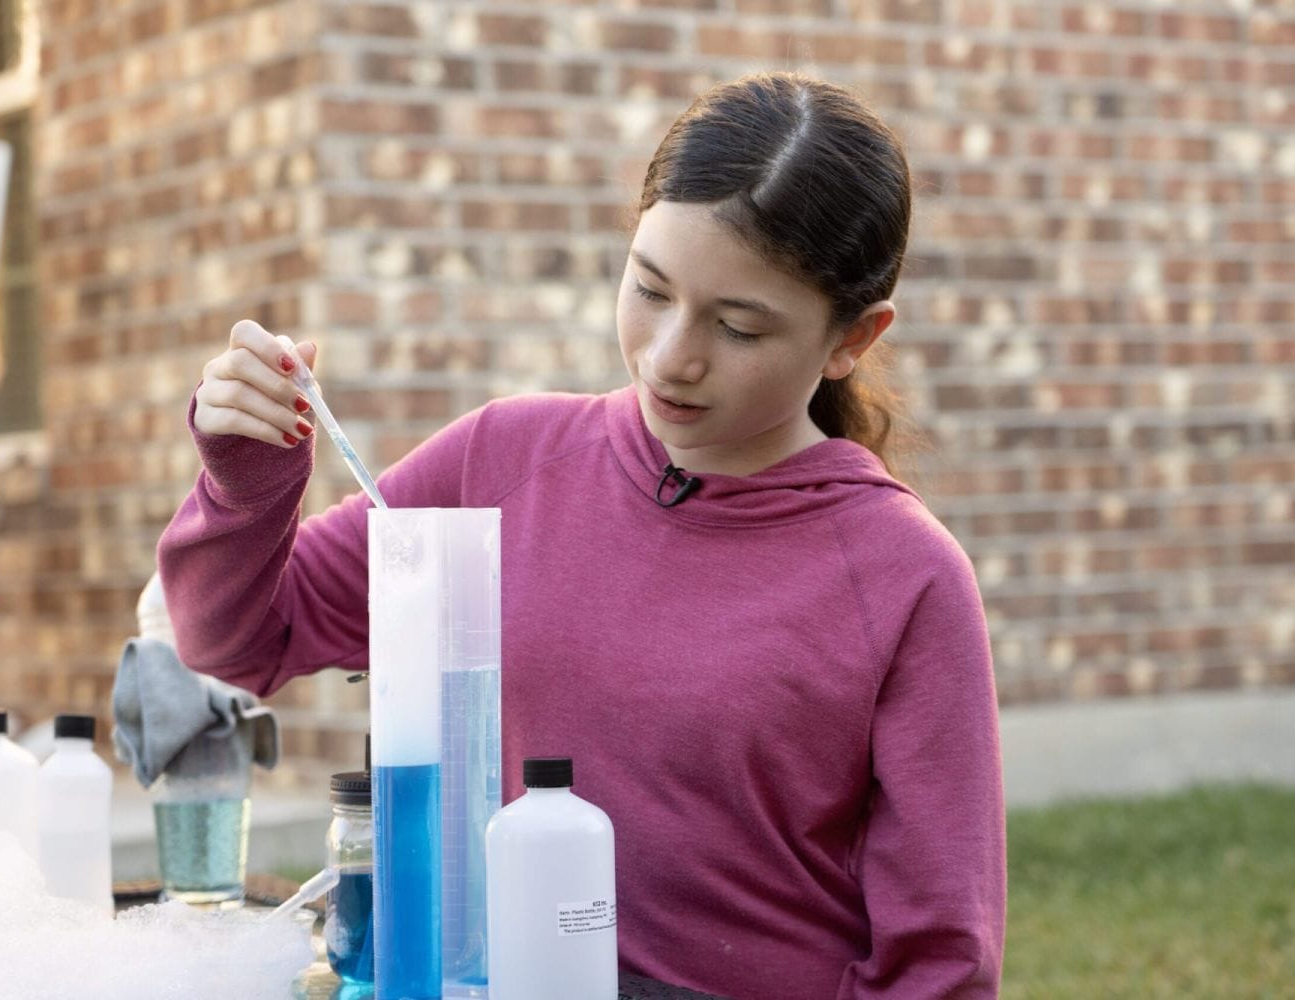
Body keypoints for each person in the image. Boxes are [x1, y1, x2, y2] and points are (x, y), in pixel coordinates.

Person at [158, 71, 1005, 998]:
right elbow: (239, 637)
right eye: (650, 289)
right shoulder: (503, 461)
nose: (670, 356)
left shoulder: (903, 576)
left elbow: (940, 965)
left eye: (737, 326)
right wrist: (246, 484)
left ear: (852, 338)